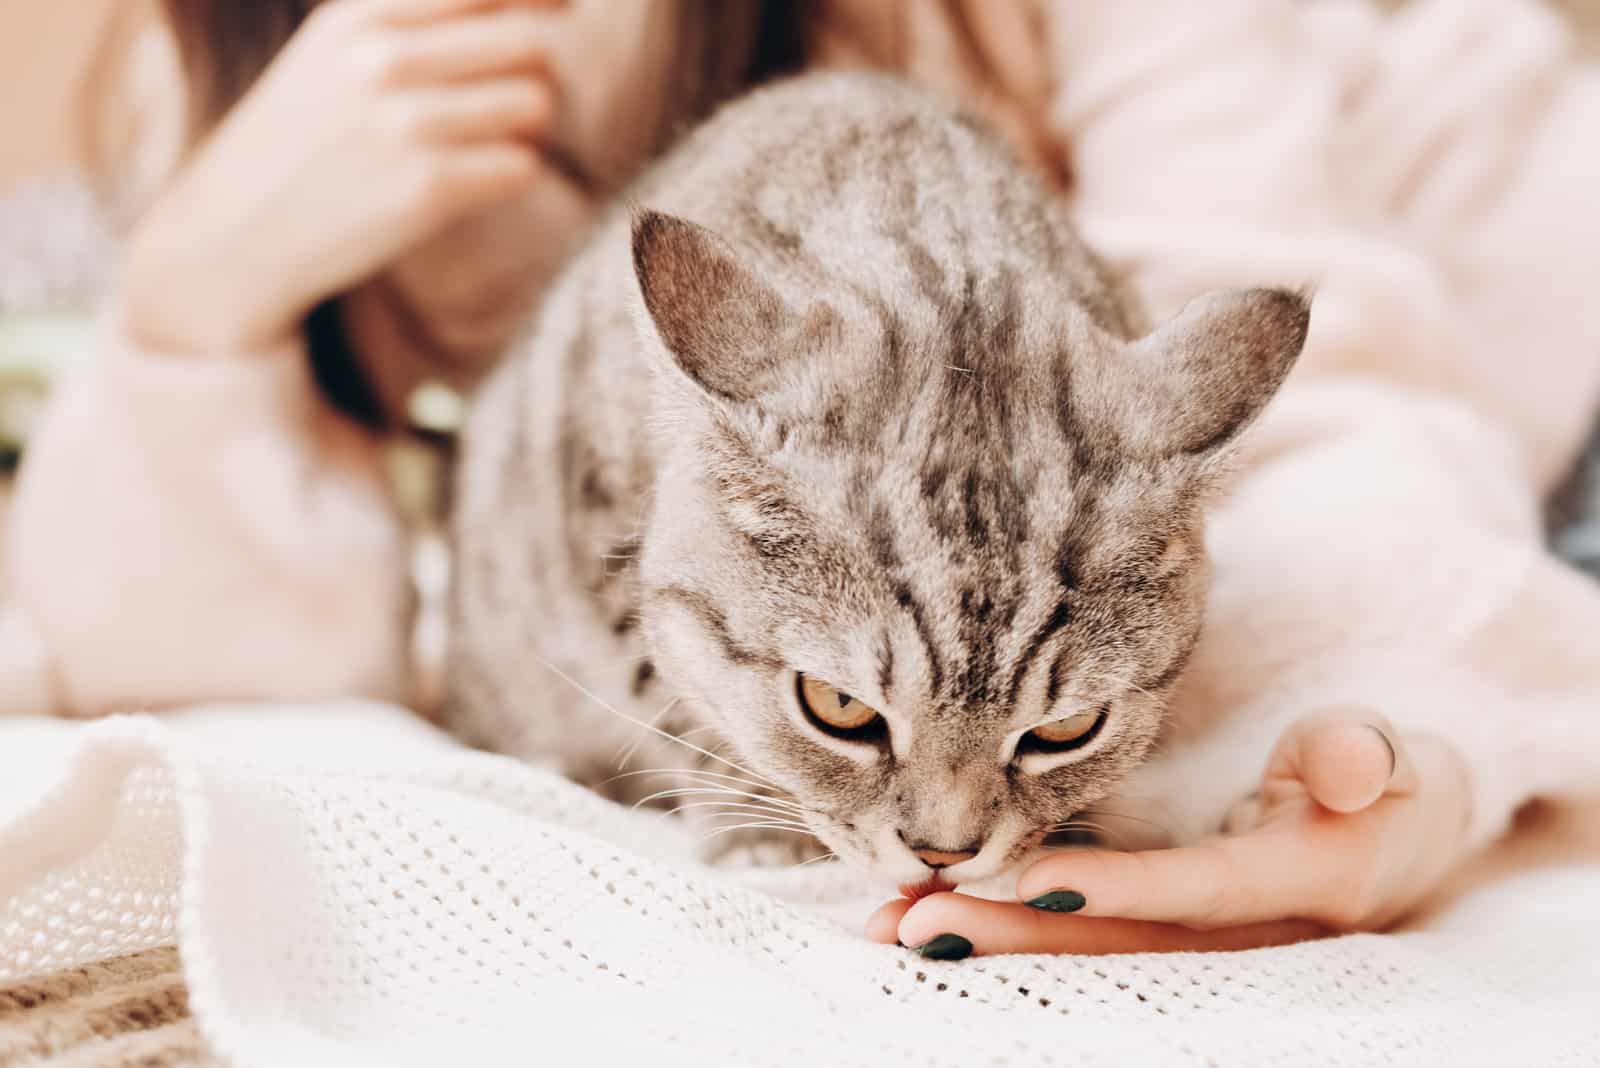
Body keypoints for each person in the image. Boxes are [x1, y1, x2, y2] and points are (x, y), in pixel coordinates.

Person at [5, 0, 1600, 960]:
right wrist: (187, 299)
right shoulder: (211, 56)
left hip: (1538, 317)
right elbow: (258, 650)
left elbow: (1332, 367)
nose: (950, 840)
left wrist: (1398, 730)